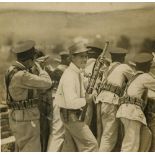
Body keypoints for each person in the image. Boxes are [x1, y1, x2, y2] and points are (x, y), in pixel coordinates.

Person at [5, 40, 52, 152]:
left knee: (21, 148)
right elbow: (47, 83)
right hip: (27, 119)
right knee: (32, 149)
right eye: (33, 59)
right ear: (30, 59)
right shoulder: (23, 76)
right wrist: (41, 69)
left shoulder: (10, 70)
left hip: (16, 117)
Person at [55, 41, 98, 152]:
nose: (85, 59)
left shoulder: (76, 72)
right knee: (92, 145)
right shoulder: (70, 75)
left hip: (70, 116)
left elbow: (84, 87)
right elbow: (71, 102)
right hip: (71, 116)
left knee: (70, 149)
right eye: (81, 56)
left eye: (86, 56)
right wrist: (86, 100)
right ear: (72, 58)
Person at [96, 47, 134, 152]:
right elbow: (136, 79)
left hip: (101, 100)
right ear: (123, 57)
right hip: (111, 101)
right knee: (109, 136)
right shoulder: (124, 67)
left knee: (102, 134)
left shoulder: (108, 68)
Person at [116, 52, 155, 152]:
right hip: (132, 112)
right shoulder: (145, 77)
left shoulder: (134, 77)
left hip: (126, 111)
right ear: (148, 66)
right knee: (130, 146)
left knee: (145, 135)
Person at [47, 51, 70, 152]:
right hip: (60, 103)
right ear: (67, 59)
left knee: (54, 133)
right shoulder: (66, 72)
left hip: (50, 101)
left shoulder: (55, 71)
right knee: (58, 134)